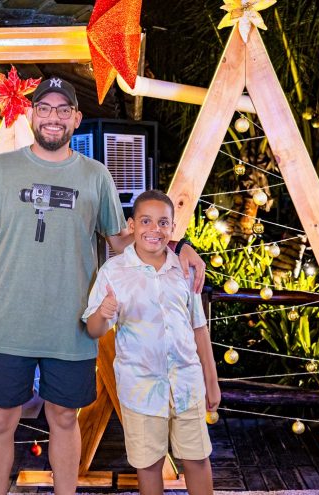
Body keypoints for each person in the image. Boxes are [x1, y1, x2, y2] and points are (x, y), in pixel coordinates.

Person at [0, 77, 205, 495]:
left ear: (76, 118)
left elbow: (121, 239)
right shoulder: (0, 168)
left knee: (65, 418)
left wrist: (178, 244)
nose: (53, 117)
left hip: (71, 323)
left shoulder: (95, 176)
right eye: (44, 108)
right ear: (32, 114)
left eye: (62, 110)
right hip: (6, 320)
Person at [83, 190, 219, 495]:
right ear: (132, 225)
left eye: (162, 223)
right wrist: (104, 315)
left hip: (187, 384)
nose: (154, 229)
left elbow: (198, 327)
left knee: (197, 458)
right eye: (146, 221)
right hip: (141, 388)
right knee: (149, 464)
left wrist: (211, 380)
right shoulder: (113, 272)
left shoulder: (184, 271)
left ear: (172, 229)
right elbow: (93, 329)